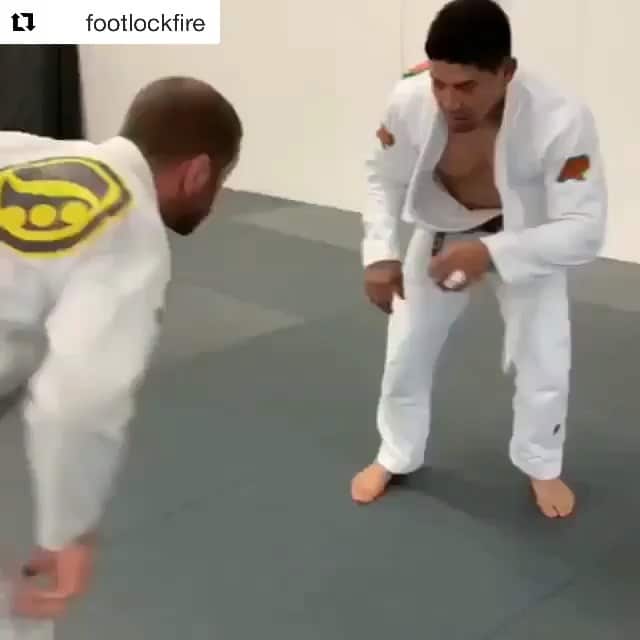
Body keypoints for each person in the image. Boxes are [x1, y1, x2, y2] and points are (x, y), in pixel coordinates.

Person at [351, 0, 607, 518]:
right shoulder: (408, 100)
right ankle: (396, 452)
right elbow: (382, 176)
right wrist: (380, 253)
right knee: (406, 350)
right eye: (440, 83)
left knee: (544, 356)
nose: (450, 100)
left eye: (467, 86)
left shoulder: (560, 117)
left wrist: (491, 252)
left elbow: (584, 229)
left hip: (524, 237)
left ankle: (541, 462)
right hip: (442, 231)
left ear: (506, 72)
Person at [0, 76, 242, 618]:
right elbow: (76, 401)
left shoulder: (20, 147)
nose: (216, 199)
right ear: (197, 172)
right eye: (220, 181)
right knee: (21, 615)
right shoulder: (131, 229)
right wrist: (67, 530)